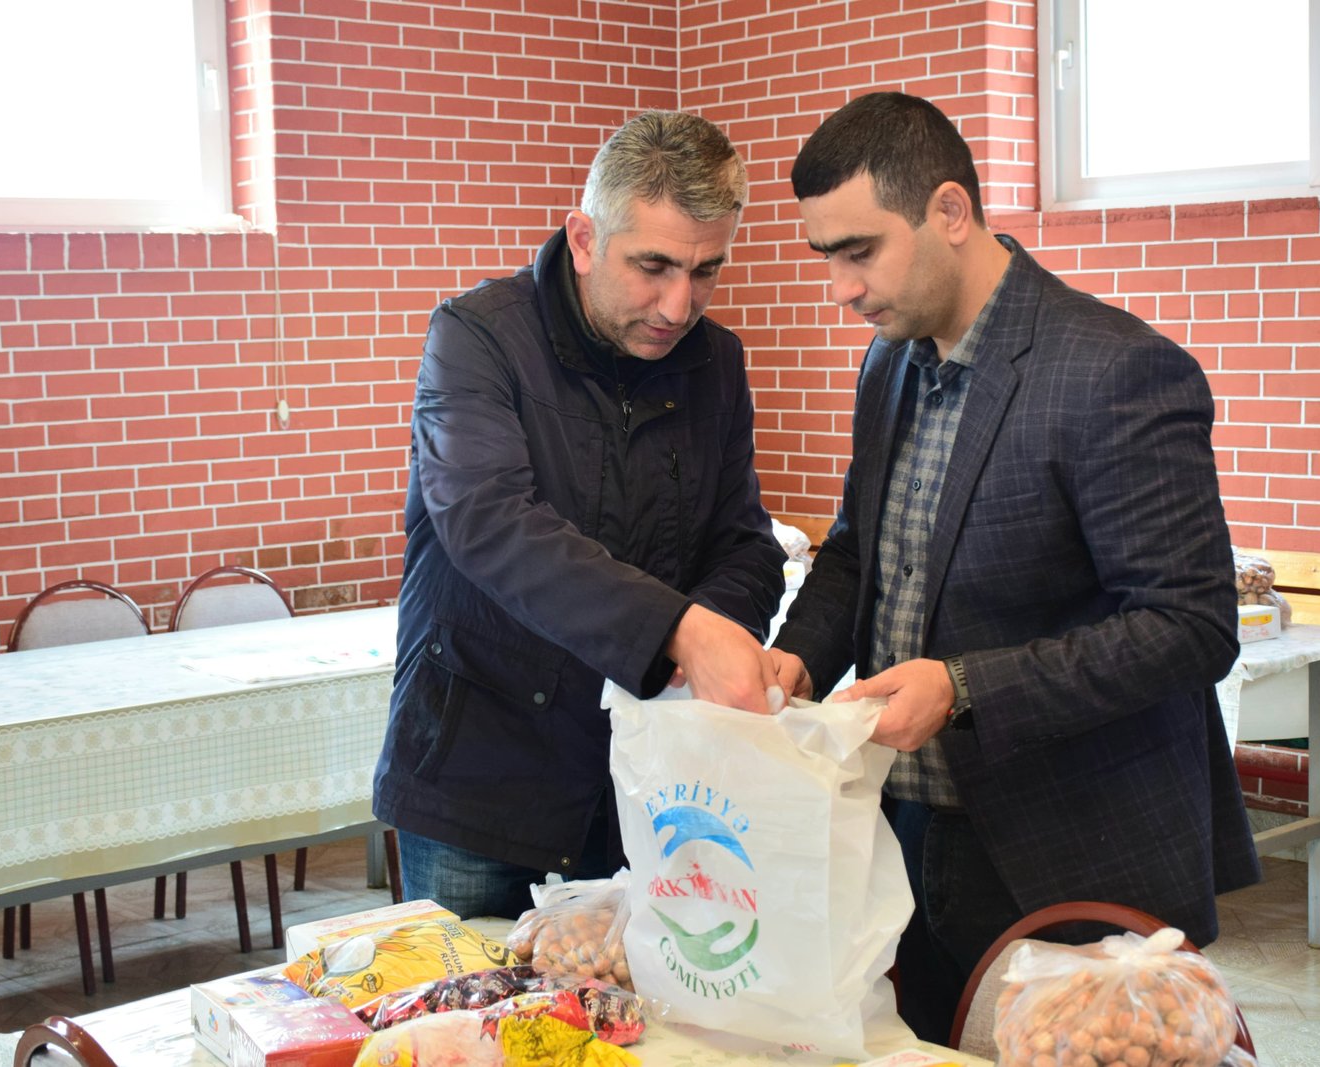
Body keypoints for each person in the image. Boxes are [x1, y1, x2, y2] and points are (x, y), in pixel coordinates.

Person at [768, 92, 1261, 1042]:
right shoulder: (890, 363)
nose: (840, 288)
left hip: (1069, 846)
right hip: (906, 831)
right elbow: (859, 548)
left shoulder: (1113, 370)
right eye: (825, 255)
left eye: (859, 250)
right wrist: (798, 657)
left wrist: (962, 687)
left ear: (950, 212)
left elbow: (1191, 626)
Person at [374, 111, 787, 921]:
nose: (679, 304)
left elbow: (744, 542)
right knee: (474, 1000)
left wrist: (713, 633)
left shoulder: (716, 360)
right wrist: (679, 632)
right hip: (479, 784)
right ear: (585, 237)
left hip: (637, 787)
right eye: (653, 266)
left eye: (706, 270)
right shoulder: (477, 336)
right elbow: (489, 520)